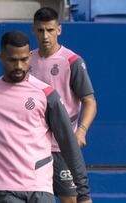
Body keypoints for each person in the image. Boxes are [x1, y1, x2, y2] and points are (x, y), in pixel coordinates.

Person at [0, 31, 89, 203]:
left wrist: (83, 193)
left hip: (40, 188)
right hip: (3, 188)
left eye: (24, 59)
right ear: (0, 56)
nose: (19, 66)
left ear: (30, 56)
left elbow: (68, 142)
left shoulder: (46, 94)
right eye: (12, 60)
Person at [30, 7, 97, 203]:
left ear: (59, 30)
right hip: (33, 146)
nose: (45, 35)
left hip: (62, 147)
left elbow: (90, 101)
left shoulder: (72, 61)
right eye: (41, 30)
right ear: (33, 30)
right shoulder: (26, 61)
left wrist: (82, 131)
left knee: (71, 199)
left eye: (50, 30)